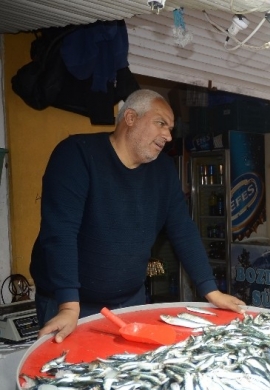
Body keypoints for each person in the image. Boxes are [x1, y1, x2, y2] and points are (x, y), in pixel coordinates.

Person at [31, 89, 245, 344]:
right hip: (71, 304)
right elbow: (60, 232)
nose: (167, 135)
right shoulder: (77, 155)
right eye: (161, 123)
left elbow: (183, 230)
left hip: (129, 301)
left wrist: (211, 290)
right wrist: (68, 305)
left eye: (170, 128)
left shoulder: (163, 170)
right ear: (130, 118)